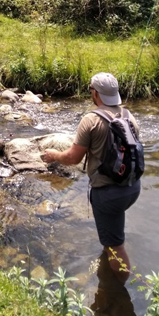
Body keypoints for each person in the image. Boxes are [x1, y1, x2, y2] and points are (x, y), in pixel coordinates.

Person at [42, 72, 141, 283]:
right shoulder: (128, 116)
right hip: (132, 187)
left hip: (108, 193)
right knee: (113, 233)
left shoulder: (91, 120)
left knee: (115, 246)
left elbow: (72, 158)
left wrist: (53, 156)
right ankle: (111, 267)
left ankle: (119, 290)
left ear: (95, 93)